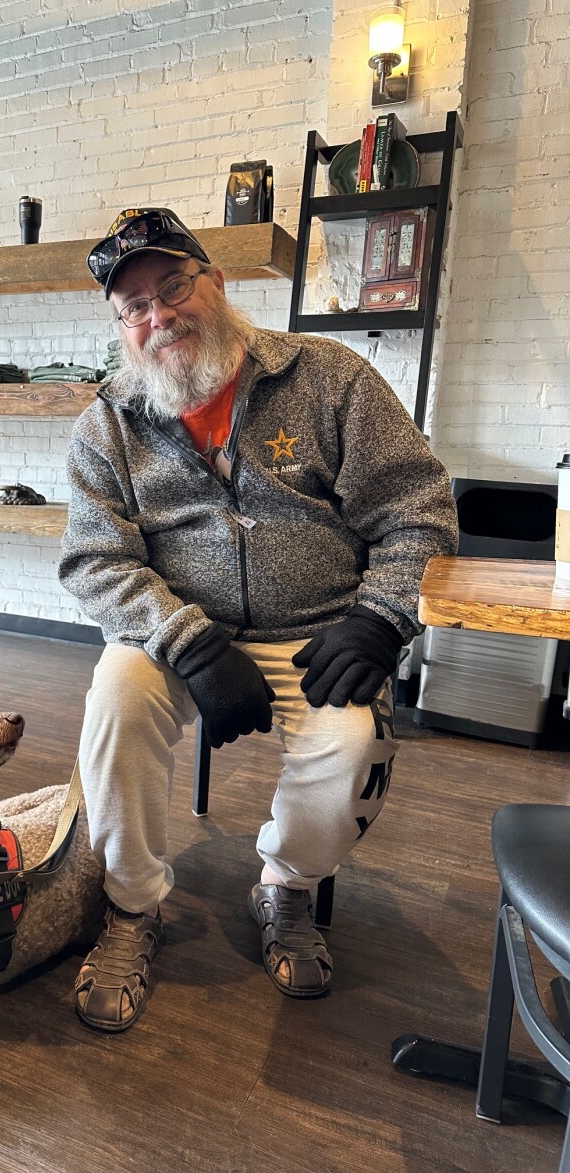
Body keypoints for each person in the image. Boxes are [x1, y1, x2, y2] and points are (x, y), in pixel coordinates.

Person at [58, 207, 458, 1032]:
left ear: (216, 282)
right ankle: (132, 905)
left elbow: (417, 509)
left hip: (318, 631)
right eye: (135, 306)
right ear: (122, 327)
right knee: (115, 701)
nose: (160, 315)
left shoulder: (331, 378)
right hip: (174, 638)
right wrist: (189, 643)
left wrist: (381, 618)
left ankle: (285, 883)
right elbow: (94, 560)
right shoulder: (106, 424)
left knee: (353, 748)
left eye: (174, 286)